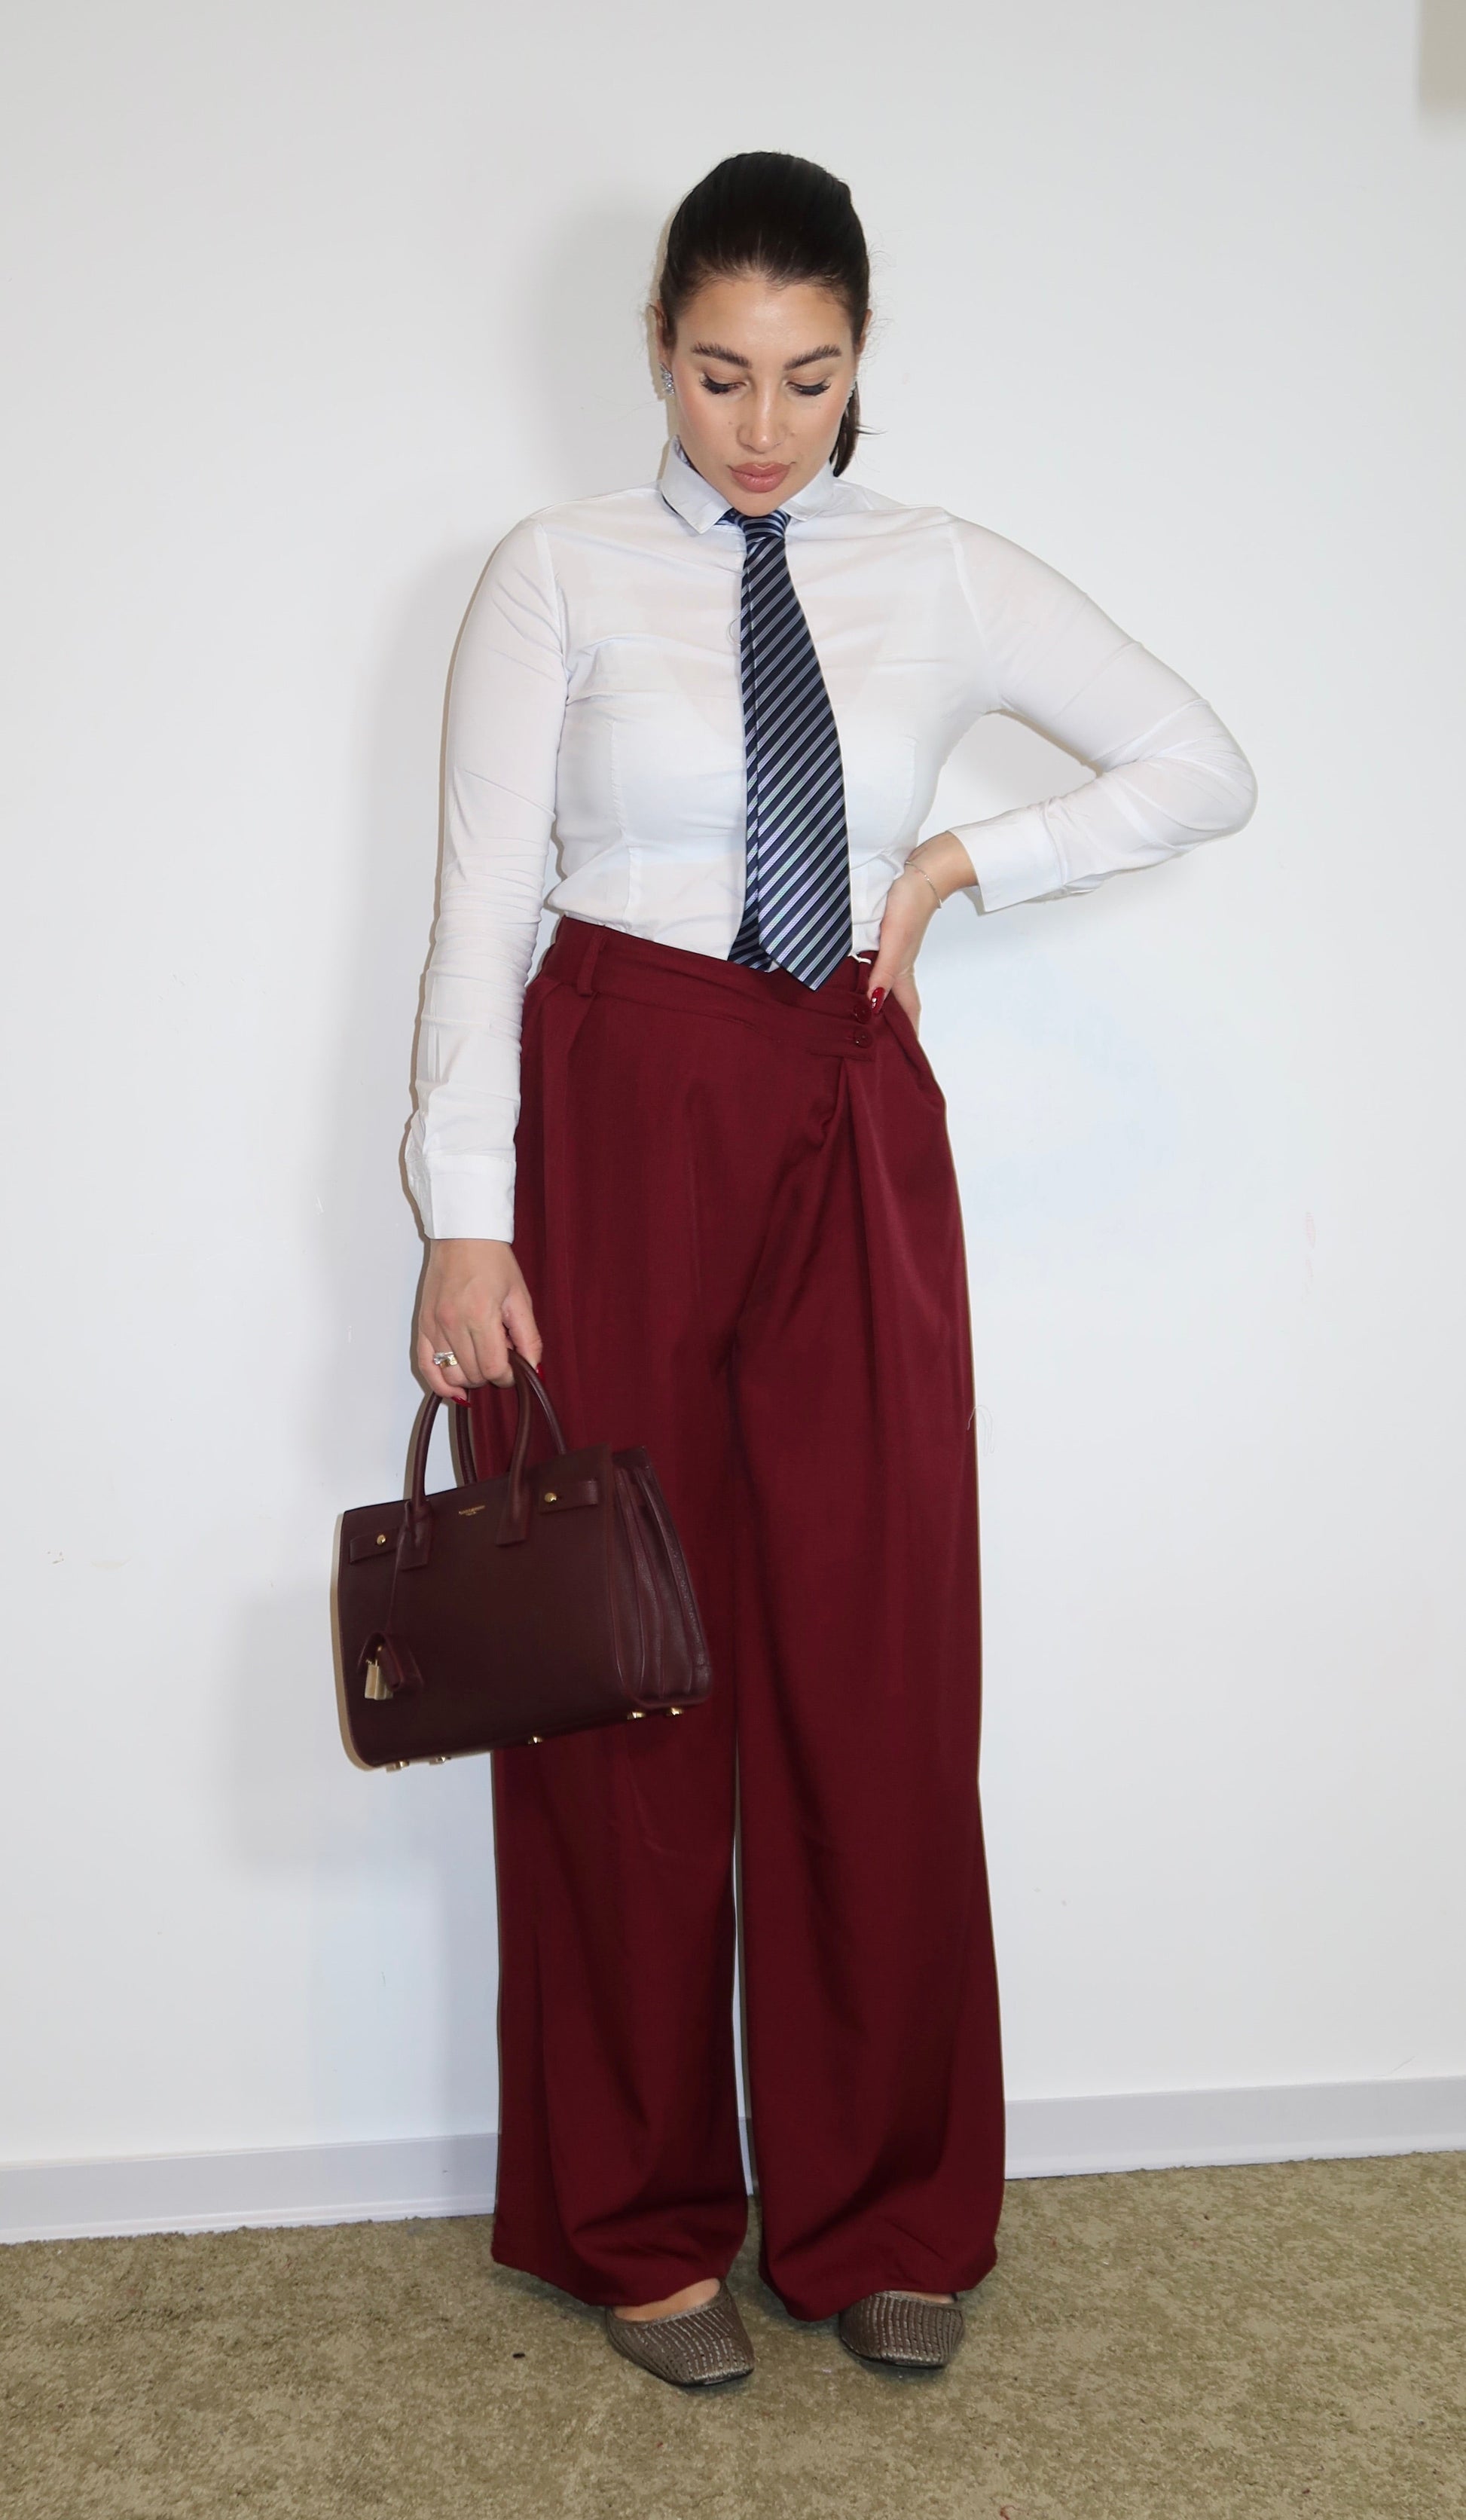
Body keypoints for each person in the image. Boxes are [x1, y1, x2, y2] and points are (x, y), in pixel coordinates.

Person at [405, 151, 1257, 2390]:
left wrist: (966, 860)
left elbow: (1200, 767)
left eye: (805, 375)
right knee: (618, 1667)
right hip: (617, 1100)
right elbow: (479, 903)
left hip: (849, 1101)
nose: (761, 426)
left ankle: (880, 2207)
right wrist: (463, 1210)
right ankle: (635, 2217)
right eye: (717, 375)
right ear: (655, 351)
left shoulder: (938, 571)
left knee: (876, 1658)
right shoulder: (556, 569)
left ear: (863, 355)